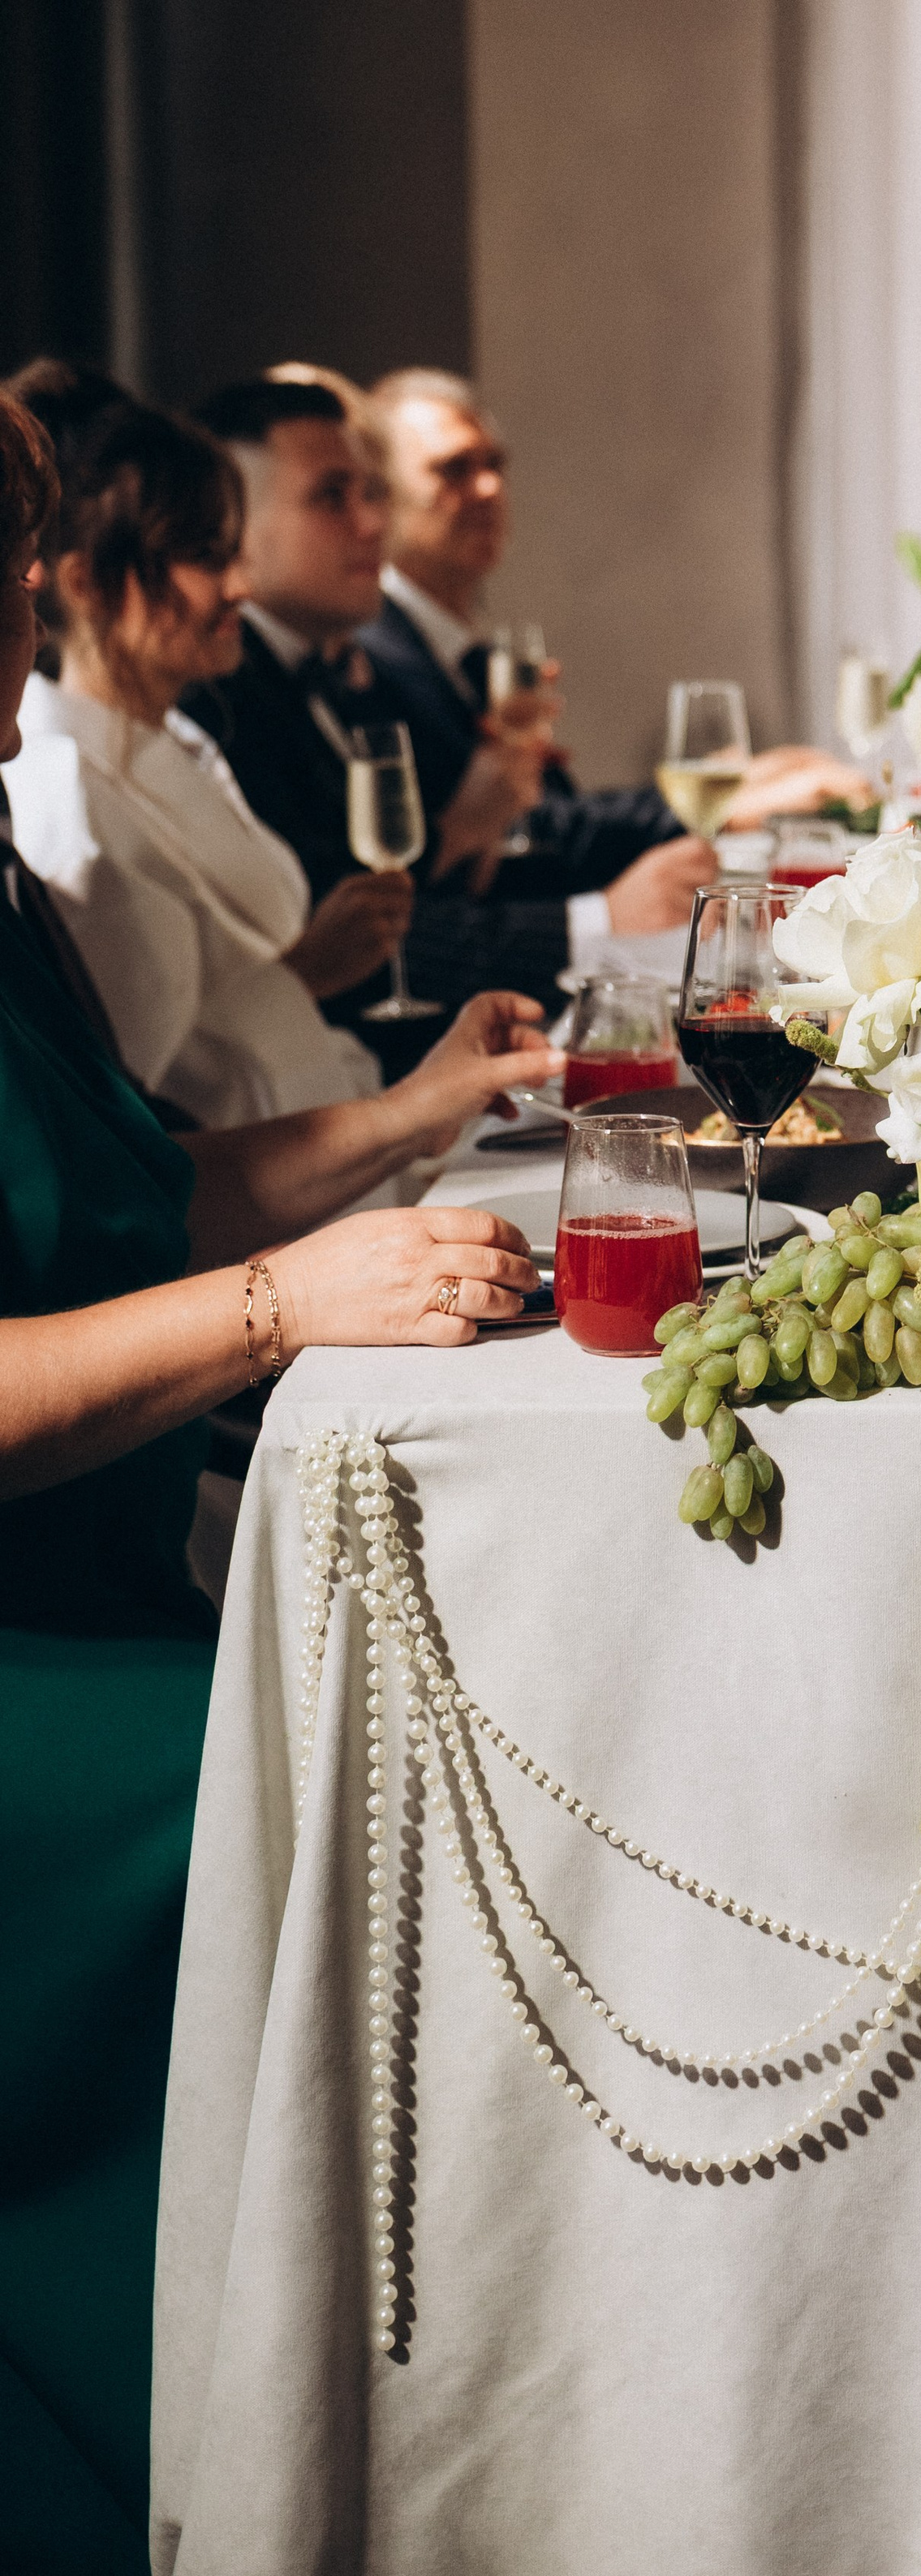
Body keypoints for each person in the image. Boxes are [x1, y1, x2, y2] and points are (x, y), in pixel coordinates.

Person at [0, 388, 553, 2570]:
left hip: (111, 1574)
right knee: (385, 1771)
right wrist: (282, 1313)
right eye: (12, 570)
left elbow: (152, 1187)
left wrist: (423, 1111)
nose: (30, 614)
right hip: (33, 1668)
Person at [183, 378, 716, 1036]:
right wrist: (596, 920)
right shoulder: (221, 696)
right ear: (234, 527)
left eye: (370, 492)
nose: (374, 523)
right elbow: (343, 937)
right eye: (330, 497)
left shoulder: (316, 667)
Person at [0, 398, 407, 1123]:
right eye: (205, 557)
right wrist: (305, 974)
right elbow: (128, 1091)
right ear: (86, 582)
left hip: (312, 1122)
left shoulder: (183, 742)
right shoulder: (62, 794)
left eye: (235, 554)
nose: (241, 590)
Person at [364, 364, 876, 860]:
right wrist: (732, 806)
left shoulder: (473, 655)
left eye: (494, 465)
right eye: (454, 468)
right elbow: (533, 838)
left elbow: (558, 811)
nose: (490, 488)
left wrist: (742, 785)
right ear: (380, 493)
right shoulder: (374, 657)